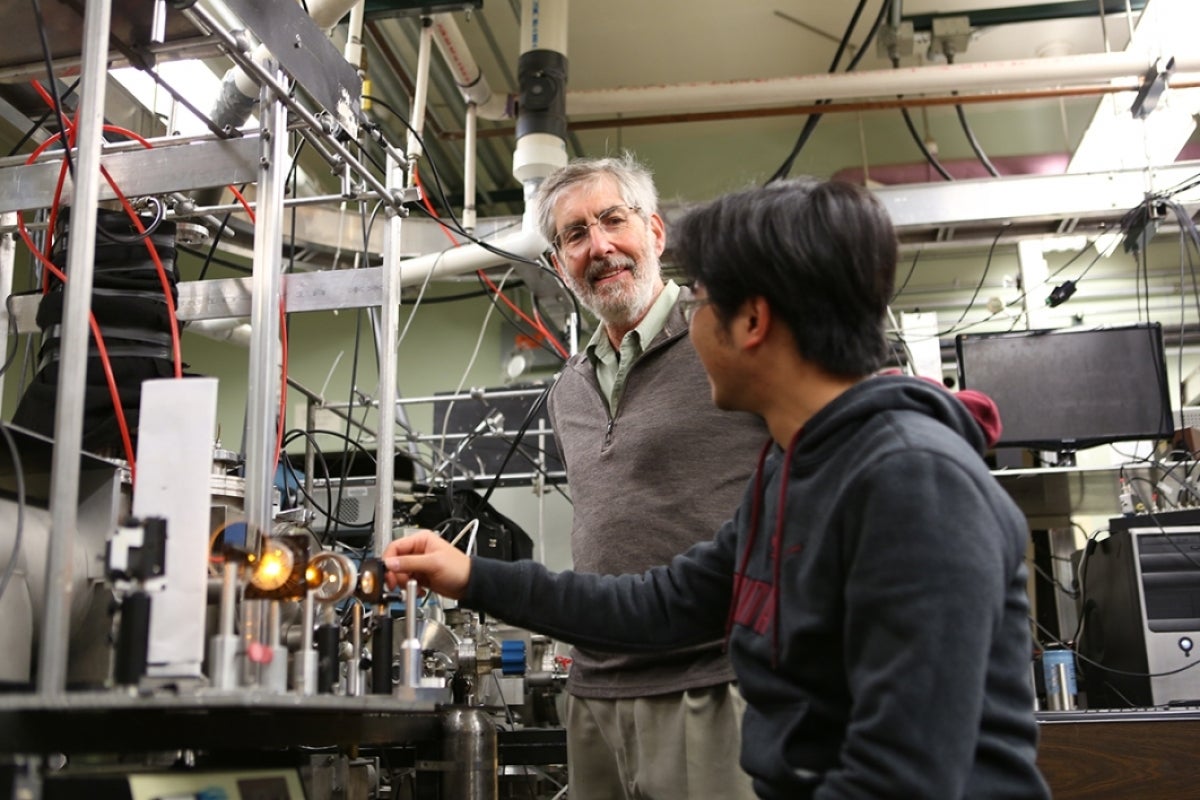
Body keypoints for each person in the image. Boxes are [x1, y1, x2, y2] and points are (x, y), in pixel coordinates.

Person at [385, 178, 1050, 799]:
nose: (691, 319)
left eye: (701, 298)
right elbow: (659, 605)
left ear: (752, 322)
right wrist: (473, 576)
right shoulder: (794, 473)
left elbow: (902, 776)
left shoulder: (913, 482)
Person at [531, 154, 767, 799]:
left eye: (613, 220)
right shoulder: (567, 391)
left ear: (656, 233)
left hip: (718, 679)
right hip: (596, 688)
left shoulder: (728, 341)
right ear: (559, 264)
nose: (599, 246)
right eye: (574, 235)